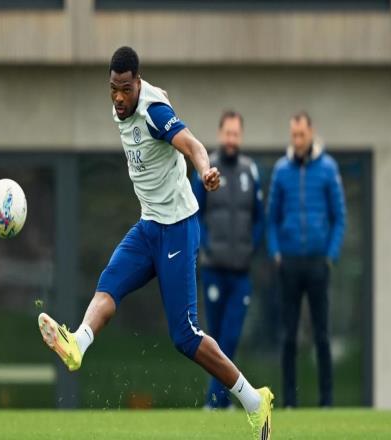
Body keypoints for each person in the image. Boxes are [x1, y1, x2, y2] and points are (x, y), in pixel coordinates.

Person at [38, 47, 273, 438]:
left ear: (138, 81)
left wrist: (206, 170)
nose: (118, 97)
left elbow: (194, 145)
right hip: (149, 226)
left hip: (178, 228)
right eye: (113, 88)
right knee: (108, 285)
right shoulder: (122, 105)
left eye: (125, 89)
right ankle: (77, 344)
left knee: (185, 336)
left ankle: (254, 400)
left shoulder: (154, 112)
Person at [267, 111, 346, 408]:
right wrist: (276, 253)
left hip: (317, 263)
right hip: (289, 262)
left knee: (322, 335)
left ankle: (326, 402)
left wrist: (330, 255)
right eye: (294, 135)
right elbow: (271, 218)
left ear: (311, 133)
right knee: (289, 336)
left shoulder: (328, 168)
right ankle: (289, 401)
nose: (297, 140)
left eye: (301, 134)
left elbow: (339, 217)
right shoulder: (281, 171)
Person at [192, 110, 264, 409]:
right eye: (228, 133)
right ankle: (219, 401)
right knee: (216, 339)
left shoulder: (250, 171)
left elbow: (259, 218)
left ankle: (216, 400)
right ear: (220, 134)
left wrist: (250, 248)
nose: (232, 139)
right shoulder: (208, 168)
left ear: (240, 136)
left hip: (241, 271)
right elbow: (194, 212)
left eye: (236, 134)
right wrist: (206, 247)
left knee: (231, 337)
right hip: (213, 269)